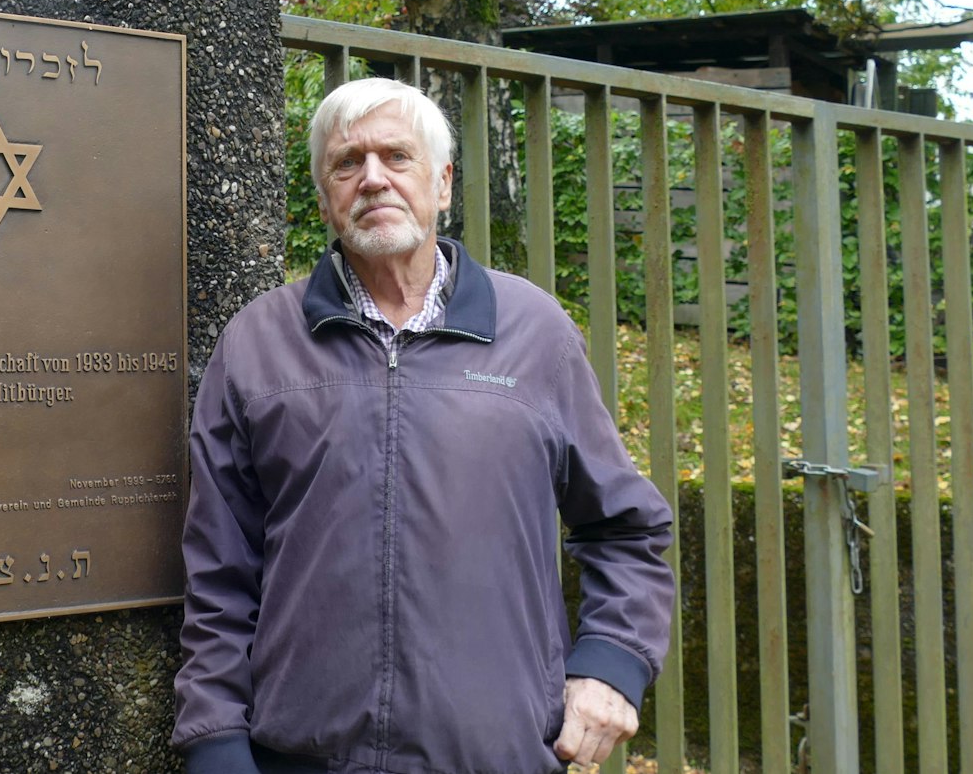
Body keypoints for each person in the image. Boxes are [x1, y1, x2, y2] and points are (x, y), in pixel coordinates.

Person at [172, 78, 675, 774]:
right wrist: (215, 738)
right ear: (323, 198)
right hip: (303, 758)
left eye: (397, 156)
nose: (373, 178)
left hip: (498, 755)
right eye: (347, 163)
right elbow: (218, 569)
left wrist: (612, 662)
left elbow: (625, 528)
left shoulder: (536, 334)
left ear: (442, 184)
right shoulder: (259, 343)